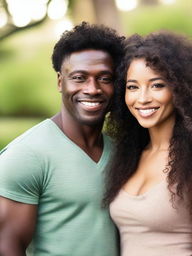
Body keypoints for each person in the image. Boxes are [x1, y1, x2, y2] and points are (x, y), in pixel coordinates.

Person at [103, 31, 192, 256]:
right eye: (133, 87)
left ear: (181, 91)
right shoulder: (129, 158)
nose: (142, 98)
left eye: (157, 85)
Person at [0, 22, 124, 255]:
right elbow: (7, 245)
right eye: (79, 77)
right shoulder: (27, 155)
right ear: (60, 82)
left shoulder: (120, 151)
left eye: (105, 78)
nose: (92, 88)